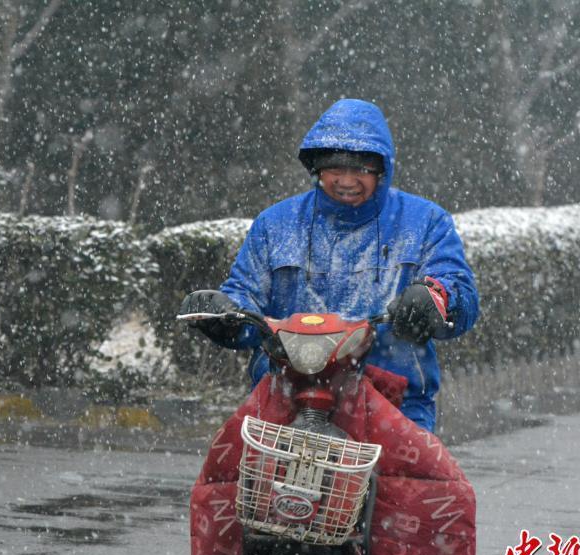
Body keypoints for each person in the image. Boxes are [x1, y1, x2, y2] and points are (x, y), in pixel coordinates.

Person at [180, 98, 479, 432]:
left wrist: (435, 298)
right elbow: (245, 296)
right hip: (286, 400)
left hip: (392, 405)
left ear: (383, 170)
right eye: (336, 168)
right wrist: (224, 314)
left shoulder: (425, 223)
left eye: (361, 169)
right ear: (316, 168)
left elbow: (459, 293)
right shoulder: (275, 225)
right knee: (224, 478)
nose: (347, 180)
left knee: (430, 484)